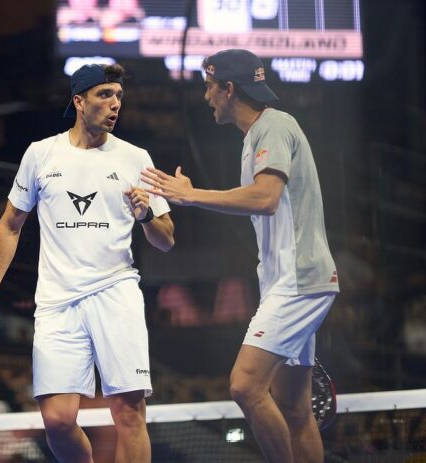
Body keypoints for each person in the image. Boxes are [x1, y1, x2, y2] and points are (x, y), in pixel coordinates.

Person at [141, 49, 339, 463]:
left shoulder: (274, 126)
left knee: (245, 386)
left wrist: (190, 195)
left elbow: (265, 198)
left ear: (229, 89)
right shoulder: (253, 140)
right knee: (295, 408)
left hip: (299, 282)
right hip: (285, 283)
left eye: (210, 86)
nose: (205, 96)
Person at [0, 63, 175, 463]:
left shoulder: (137, 158)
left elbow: (166, 239)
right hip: (56, 301)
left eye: (119, 96)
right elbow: (10, 226)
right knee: (58, 421)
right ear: (79, 101)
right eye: (105, 95)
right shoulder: (40, 154)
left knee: (129, 413)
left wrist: (147, 215)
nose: (115, 104)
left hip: (116, 292)